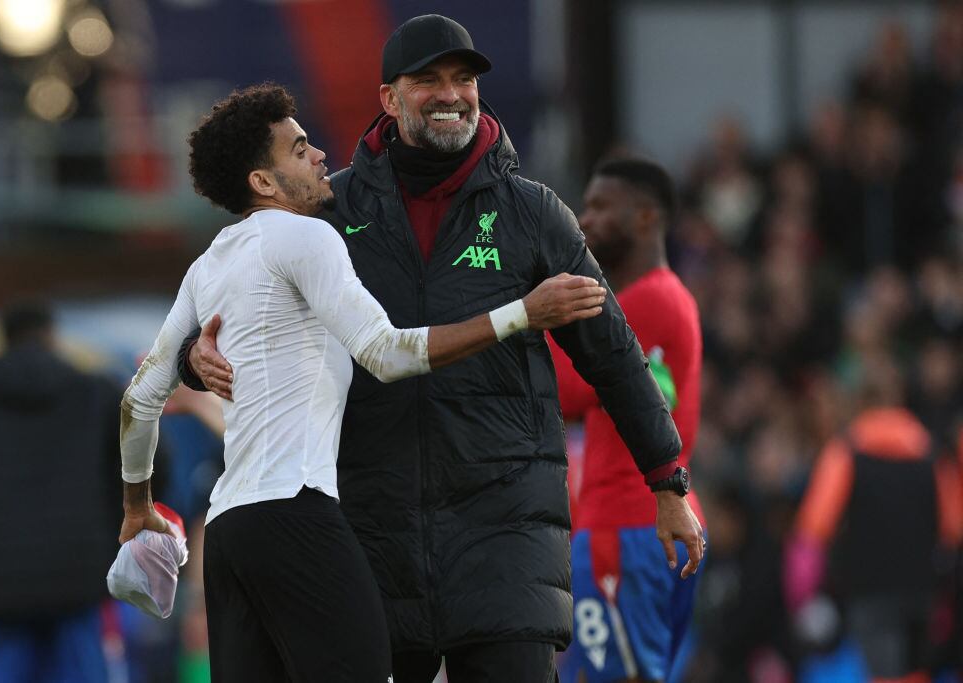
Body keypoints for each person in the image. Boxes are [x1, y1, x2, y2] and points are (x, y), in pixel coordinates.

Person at [180, 15, 704, 681]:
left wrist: (668, 482)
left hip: (506, 529)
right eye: (427, 80)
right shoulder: (324, 213)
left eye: (463, 79)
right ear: (389, 99)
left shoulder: (534, 213)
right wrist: (191, 355)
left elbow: (614, 352)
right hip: (371, 529)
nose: (450, 93)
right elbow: (219, 301)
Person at [119, 82, 607, 683]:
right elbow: (387, 353)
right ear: (264, 183)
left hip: (229, 532)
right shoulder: (308, 235)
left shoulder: (207, 266)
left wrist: (137, 506)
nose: (321, 154)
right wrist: (522, 314)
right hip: (297, 513)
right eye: (299, 150)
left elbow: (140, 398)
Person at [551, 158, 705, 683]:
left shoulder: (646, 300)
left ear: (644, 217)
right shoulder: (668, 297)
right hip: (651, 522)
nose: (584, 218)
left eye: (599, 206)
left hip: (626, 523)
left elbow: (569, 391)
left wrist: (533, 316)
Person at [0, 302, 121, 683]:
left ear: (2, 340)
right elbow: (149, 463)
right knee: (81, 667)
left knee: (5, 666)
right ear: (52, 336)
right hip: (79, 568)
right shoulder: (95, 394)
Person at [784, 356, 963, 682]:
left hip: (869, 593)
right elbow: (953, 530)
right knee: (915, 673)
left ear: (861, 401)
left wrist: (804, 600)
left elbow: (811, 533)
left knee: (881, 673)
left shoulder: (847, 452)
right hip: (924, 593)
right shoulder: (932, 455)